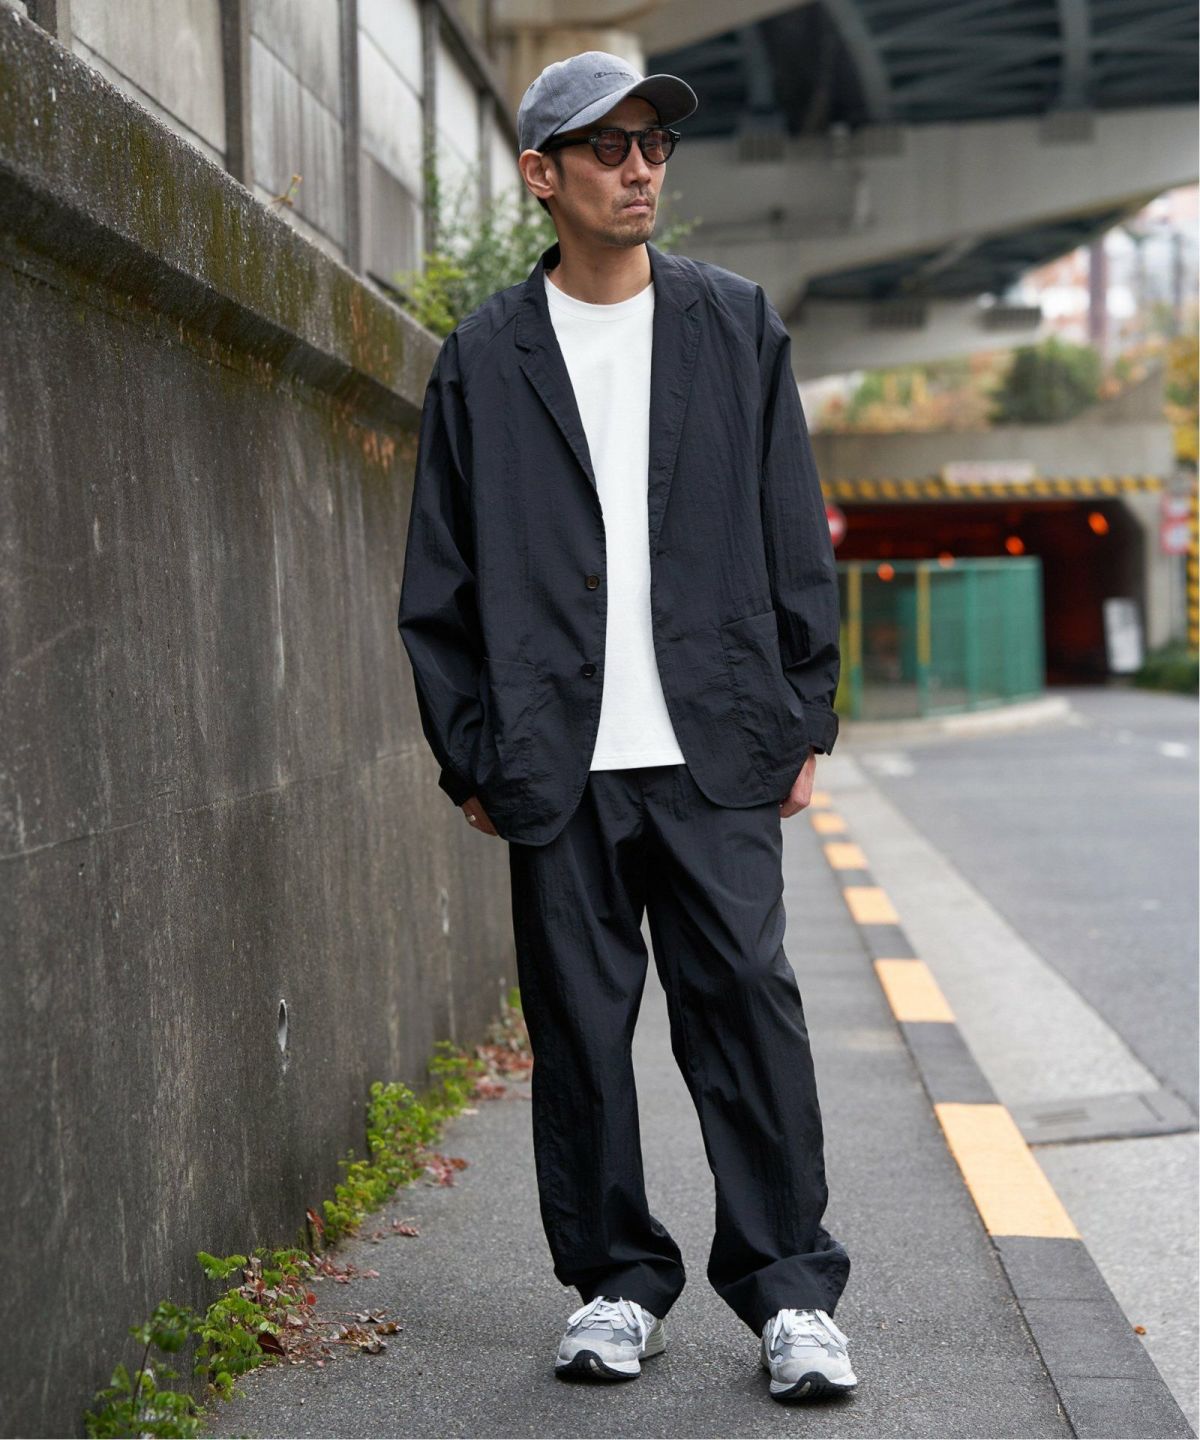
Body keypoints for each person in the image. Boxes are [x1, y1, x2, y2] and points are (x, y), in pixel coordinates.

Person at [397, 49, 857, 1405]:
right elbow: (440, 576)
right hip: (558, 758)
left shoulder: (735, 324)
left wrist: (804, 713)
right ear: (542, 175)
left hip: (718, 746)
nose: (640, 167)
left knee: (749, 1010)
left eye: (655, 144)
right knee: (582, 1030)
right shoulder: (485, 359)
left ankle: (790, 1292)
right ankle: (615, 1284)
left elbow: (792, 529)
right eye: (608, 147)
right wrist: (469, 749)